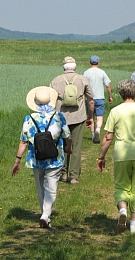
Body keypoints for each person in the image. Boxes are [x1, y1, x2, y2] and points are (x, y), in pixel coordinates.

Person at [96, 79, 135, 234]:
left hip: (121, 154)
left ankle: (122, 209)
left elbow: (108, 137)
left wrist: (101, 157)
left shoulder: (115, 111)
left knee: (121, 185)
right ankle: (133, 224)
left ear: (120, 93)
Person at [11, 86, 72, 228]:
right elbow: (68, 136)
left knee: (40, 187)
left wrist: (17, 161)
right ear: (50, 100)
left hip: (35, 158)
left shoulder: (29, 118)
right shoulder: (58, 117)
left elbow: (23, 141)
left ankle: (44, 214)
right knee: (51, 187)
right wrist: (69, 148)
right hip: (54, 159)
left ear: (35, 102)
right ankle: (46, 215)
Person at [50, 56, 94, 185]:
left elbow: (50, 100)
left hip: (60, 118)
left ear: (63, 67)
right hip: (78, 117)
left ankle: (62, 173)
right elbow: (91, 100)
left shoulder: (56, 80)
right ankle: (74, 176)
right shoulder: (82, 79)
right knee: (76, 146)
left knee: (61, 145)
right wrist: (91, 116)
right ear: (75, 67)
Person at [83, 55, 113, 144]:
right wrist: (110, 96)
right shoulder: (102, 72)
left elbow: (83, 85)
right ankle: (98, 131)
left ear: (90, 62)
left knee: (91, 117)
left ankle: (93, 136)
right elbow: (107, 85)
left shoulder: (86, 73)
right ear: (98, 62)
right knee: (99, 117)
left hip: (89, 98)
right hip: (100, 98)